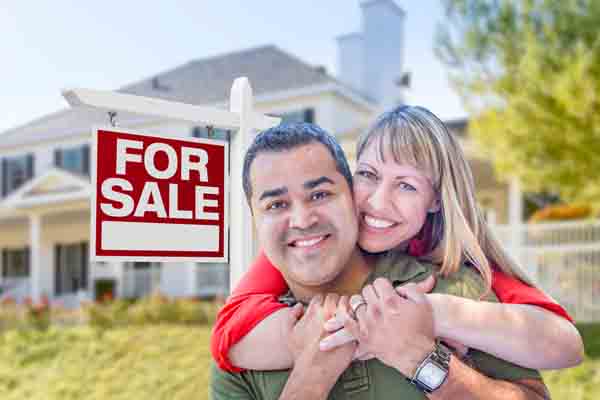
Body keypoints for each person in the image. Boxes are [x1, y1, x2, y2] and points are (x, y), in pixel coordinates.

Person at [211, 107, 583, 374]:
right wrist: (351, 327)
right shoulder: (318, 240)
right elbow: (229, 330)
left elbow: (565, 344)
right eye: (369, 175)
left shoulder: (456, 262)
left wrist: (434, 313)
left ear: (437, 198)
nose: (376, 201)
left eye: (405, 185)